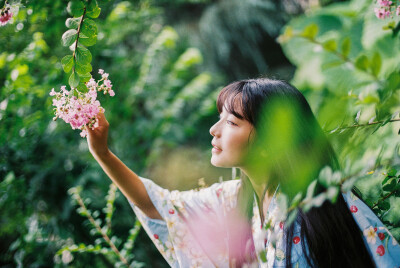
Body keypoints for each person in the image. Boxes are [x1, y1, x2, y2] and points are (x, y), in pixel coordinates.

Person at [87, 78, 400, 267]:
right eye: (220, 118)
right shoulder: (238, 200)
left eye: (231, 122)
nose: (214, 130)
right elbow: (161, 207)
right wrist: (102, 152)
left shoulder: (325, 204)